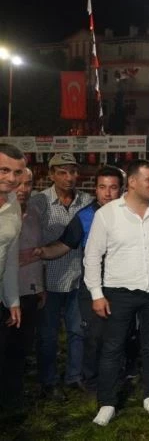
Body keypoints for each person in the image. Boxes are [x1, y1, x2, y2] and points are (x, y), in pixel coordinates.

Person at [84, 160, 149, 426]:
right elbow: (92, 256)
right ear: (133, 182)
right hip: (118, 292)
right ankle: (107, 403)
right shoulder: (108, 213)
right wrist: (96, 294)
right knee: (113, 348)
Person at [34, 166, 124, 395]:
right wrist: (39, 252)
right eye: (102, 187)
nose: (107, 193)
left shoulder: (132, 213)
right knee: (93, 336)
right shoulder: (85, 216)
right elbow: (64, 244)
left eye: (113, 188)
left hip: (126, 287)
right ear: (96, 190)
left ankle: (118, 375)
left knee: (121, 335)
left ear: (121, 190)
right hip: (95, 287)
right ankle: (90, 379)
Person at [27, 152, 92, 399]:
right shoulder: (39, 202)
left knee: (78, 331)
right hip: (48, 279)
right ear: (51, 175)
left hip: (78, 279)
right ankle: (49, 380)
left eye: (73, 172)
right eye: (62, 172)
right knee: (48, 335)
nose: (69, 177)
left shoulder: (86, 201)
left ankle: (74, 376)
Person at [1, 167, 43, 409]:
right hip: (5, 294)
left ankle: (14, 396)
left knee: (21, 347)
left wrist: (39, 286)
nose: (23, 189)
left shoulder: (35, 212)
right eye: (19, 183)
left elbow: (38, 251)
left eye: (28, 184)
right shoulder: (6, 212)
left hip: (27, 291)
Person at [0, 144, 25, 413]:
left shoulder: (13, 204)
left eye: (17, 172)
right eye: (4, 170)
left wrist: (13, 299)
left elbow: (10, 257)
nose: (11, 178)